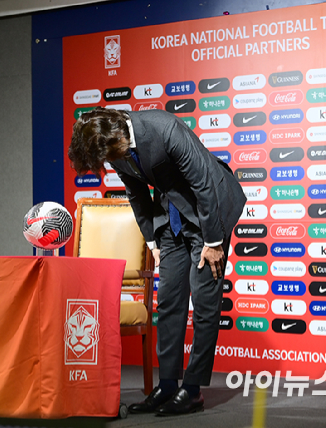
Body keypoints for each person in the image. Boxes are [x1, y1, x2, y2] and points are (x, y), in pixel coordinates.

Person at [68, 107, 246, 416]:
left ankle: (192, 390)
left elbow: (203, 181)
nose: (112, 162)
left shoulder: (164, 128)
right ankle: (166, 385)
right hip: (171, 215)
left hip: (210, 209)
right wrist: (153, 241)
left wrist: (214, 242)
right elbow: (135, 192)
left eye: (113, 155)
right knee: (169, 300)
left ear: (119, 134)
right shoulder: (110, 143)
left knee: (204, 301)